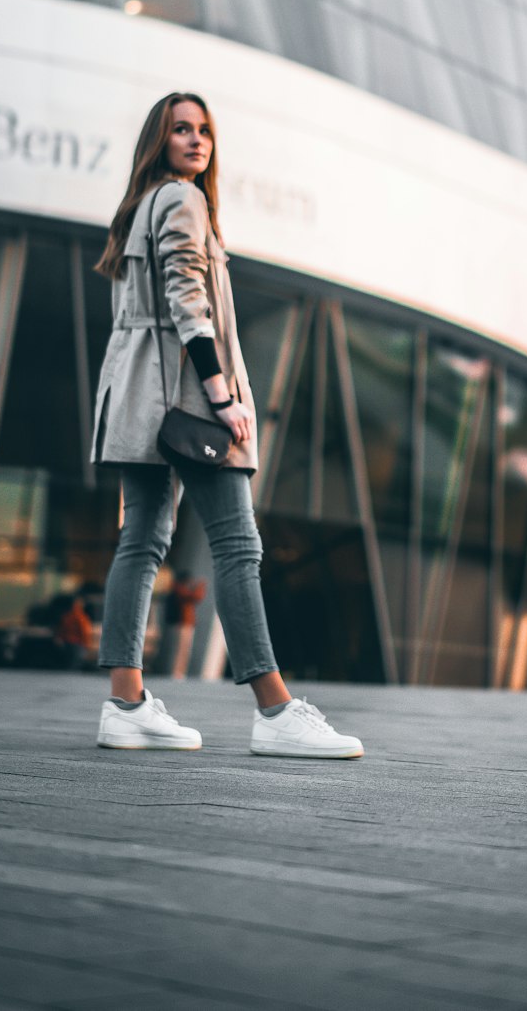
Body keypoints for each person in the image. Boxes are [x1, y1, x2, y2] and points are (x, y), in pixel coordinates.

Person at [90, 92, 363, 759]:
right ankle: (274, 710)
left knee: (142, 542)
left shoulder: (138, 208)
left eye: (204, 129)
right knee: (238, 546)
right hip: (185, 400)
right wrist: (221, 392)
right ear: (160, 139)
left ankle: (125, 703)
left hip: (134, 398)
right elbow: (187, 295)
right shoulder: (183, 200)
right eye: (181, 129)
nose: (196, 139)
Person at [167, 569, 207, 679]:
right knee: (182, 649)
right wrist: (200, 586)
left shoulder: (179, 588)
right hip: (183, 623)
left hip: (186, 623)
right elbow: (195, 597)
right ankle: (177, 673)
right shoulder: (179, 588)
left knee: (184, 649)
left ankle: (179, 672)